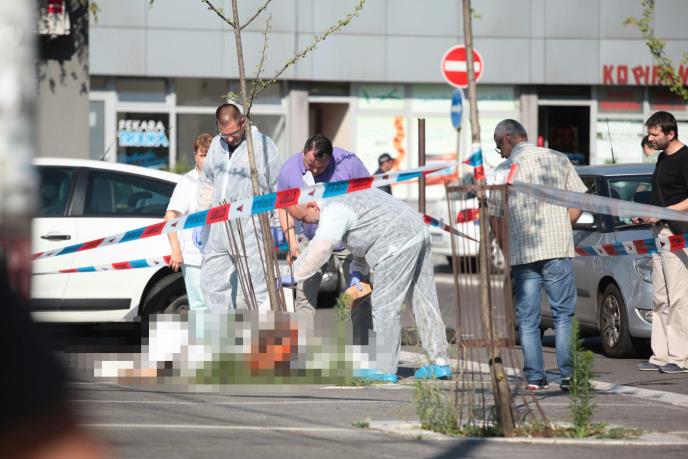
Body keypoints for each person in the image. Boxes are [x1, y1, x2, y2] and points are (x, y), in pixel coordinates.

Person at [288, 188, 451, 382]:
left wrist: (294, 274)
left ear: (312, 205)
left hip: (395, 242)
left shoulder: (333, 210)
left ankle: (384, 368)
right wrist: (358, 270)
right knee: (424, 299)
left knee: (384, 305)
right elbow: (367, 231)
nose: (304, 223)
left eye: (303, 218)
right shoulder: (343, 197)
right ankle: (440, 362)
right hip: (417, 230)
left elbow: (320, 249)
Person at [488, 119, 586, 392]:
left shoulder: (503, 171)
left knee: (528, 319)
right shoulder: (557, 158)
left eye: (499, 146)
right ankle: (568, 376)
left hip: (523, 253)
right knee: (563, 315)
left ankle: (534, 377)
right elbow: (578, 201)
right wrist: (564, 226)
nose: (501, 153)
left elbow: (495, 217)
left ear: (507, 138)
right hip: (557, 250)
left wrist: (507, 248)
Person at [197, 103, 282, 311]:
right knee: (211, 284)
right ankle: (222, 330)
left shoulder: (263, 146)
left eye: (233, 133)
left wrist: (277, 224)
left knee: (258, 289)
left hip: (252, 229)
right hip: (218, 229)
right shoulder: (216, 144)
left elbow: (278, 187)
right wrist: (201, 218)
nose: (229, 139)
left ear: (243, 122)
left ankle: (266, 330)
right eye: (224, 134)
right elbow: (208, 182)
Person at [277, 133, 369, 314]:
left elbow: (369, 196)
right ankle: (303, 334)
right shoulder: (289, 170)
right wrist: (293, 245)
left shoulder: (349, 163)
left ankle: (360, 332)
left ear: (330, 158)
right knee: (304, 297)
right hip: (312, 240)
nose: (315, 171)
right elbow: (283, 209)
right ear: (303, 153)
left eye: (321, 167)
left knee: (360, 296)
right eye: (310, 165)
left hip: (348, 240)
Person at [634, 111, 688, 374]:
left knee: (678, 298)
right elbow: (662, 197)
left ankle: (680, 358)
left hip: (677, 234)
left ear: (671, 133)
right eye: (649, 134)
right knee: (660, 297)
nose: (650, 139)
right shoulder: (661, 158)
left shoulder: (685, 158)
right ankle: (660, 355)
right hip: (658, 233)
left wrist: (663, 213)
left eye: (655, 134)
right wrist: (647, 214)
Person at [165, 133, 212, 311]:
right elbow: (170, 216)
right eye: (203, 155)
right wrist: (176, 250)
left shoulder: (223, 179)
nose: (206, 160)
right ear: (195, 155)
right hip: (194, 256)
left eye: (210, 155)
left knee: (222, 306)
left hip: (220, 255)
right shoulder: (187, 182)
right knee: (199, 306)